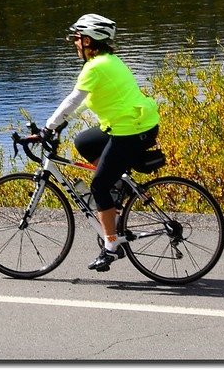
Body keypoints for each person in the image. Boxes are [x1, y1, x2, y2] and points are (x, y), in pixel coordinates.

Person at [43, 14, 160, 272]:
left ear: (89, 40)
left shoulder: (96, 67)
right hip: (128, 124)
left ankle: (111, 247)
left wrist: (48, 127)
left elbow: (74, 99)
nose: (75, 43)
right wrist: (62, 123)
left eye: (77, 38)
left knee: (98, 186)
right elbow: (83, 102)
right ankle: (119, 186)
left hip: (131, 130)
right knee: (84, 142)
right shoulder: (107, 62)